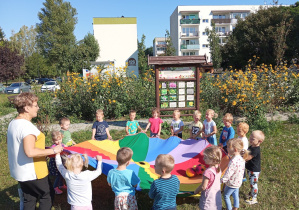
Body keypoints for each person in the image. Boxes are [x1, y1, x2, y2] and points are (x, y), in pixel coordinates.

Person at [7, 92, 63, 209]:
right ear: (27, 108)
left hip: (20, 171)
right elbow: (30, 152)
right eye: (36, 105)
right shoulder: (27, 127)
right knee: (46, 195)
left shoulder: (13, 123)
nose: (38, 108)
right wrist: (53, 151)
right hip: (34, 172)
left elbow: (17, 145)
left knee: (30, 198)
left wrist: (45, 150)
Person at [221, 138, 249, 210]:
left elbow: (228, 173)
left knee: (226, 195)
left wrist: (221, 180)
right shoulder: (241, 158)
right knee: (235, 194)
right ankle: (235, 207)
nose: (226, 148)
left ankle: (229, 208)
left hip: (232, 183)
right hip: (238, 182)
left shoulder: (233, 161)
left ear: (235, 149)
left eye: (228, 147)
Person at [194, 145, 222, 210]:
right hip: (216, 195)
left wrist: (196, 191)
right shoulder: (218, 167)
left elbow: (203, 187)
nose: (203, 159)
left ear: (213, 159)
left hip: (208, 198)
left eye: (206, 157)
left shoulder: (208, 172)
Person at [245, 130, 265, 205]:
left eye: (252, 139)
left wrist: (239, 157)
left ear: (260, 141)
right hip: (251, 169)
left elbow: (247, 158)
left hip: (254, 170)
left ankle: (254, 198)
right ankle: (251, 194)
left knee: (253, 184)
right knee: (252, 183)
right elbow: (246, 152)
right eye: (250, 137)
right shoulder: (252, 146)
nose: (250, 139)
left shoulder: (255, 150)